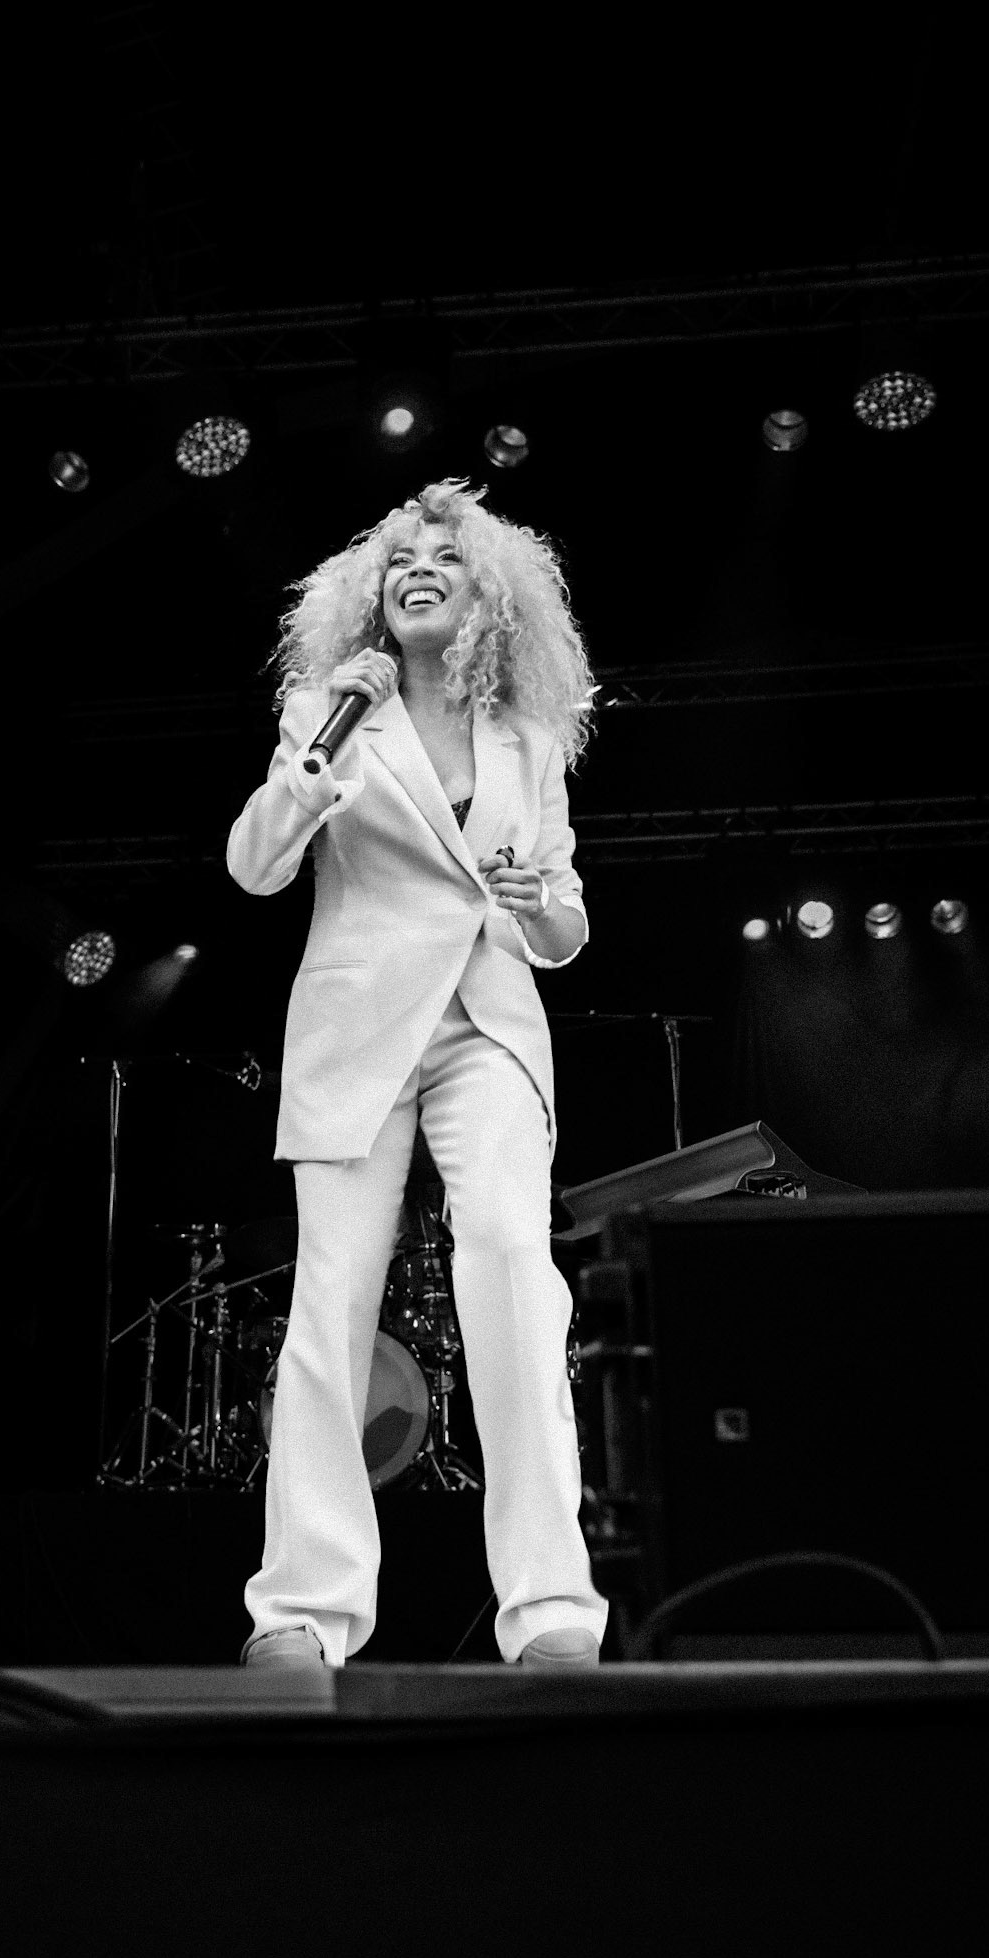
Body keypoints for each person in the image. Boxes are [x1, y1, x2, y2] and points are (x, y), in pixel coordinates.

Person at [227, 478, 609, 1670]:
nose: (418, 570)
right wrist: (310, 768)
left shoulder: (526, 738)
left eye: (444, 555)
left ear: (487, 590)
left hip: (485, 1024)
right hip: (356, 1030)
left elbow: (564, 925)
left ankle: (551, 1609)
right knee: (329, 1311)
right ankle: (301, 1612)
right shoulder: (324, 708)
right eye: (400, 562)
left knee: (511, 1270)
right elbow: (254, 869)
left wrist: (544, 902)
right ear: (374, 598)